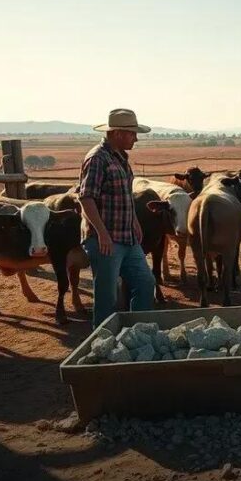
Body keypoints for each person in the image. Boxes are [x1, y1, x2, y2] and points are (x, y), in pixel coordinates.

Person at [77, 108, 156, 327]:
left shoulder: (120, 158)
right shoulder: (97, 159)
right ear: (118, 133)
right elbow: (86, 198)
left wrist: (134, 221)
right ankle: (103, 342)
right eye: (132, 133)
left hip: (127, 237)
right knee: (107, 296)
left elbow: (124, 195)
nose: (136, 138)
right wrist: (102, 234)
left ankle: (138, 332)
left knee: (145, 283)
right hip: (106, 241)